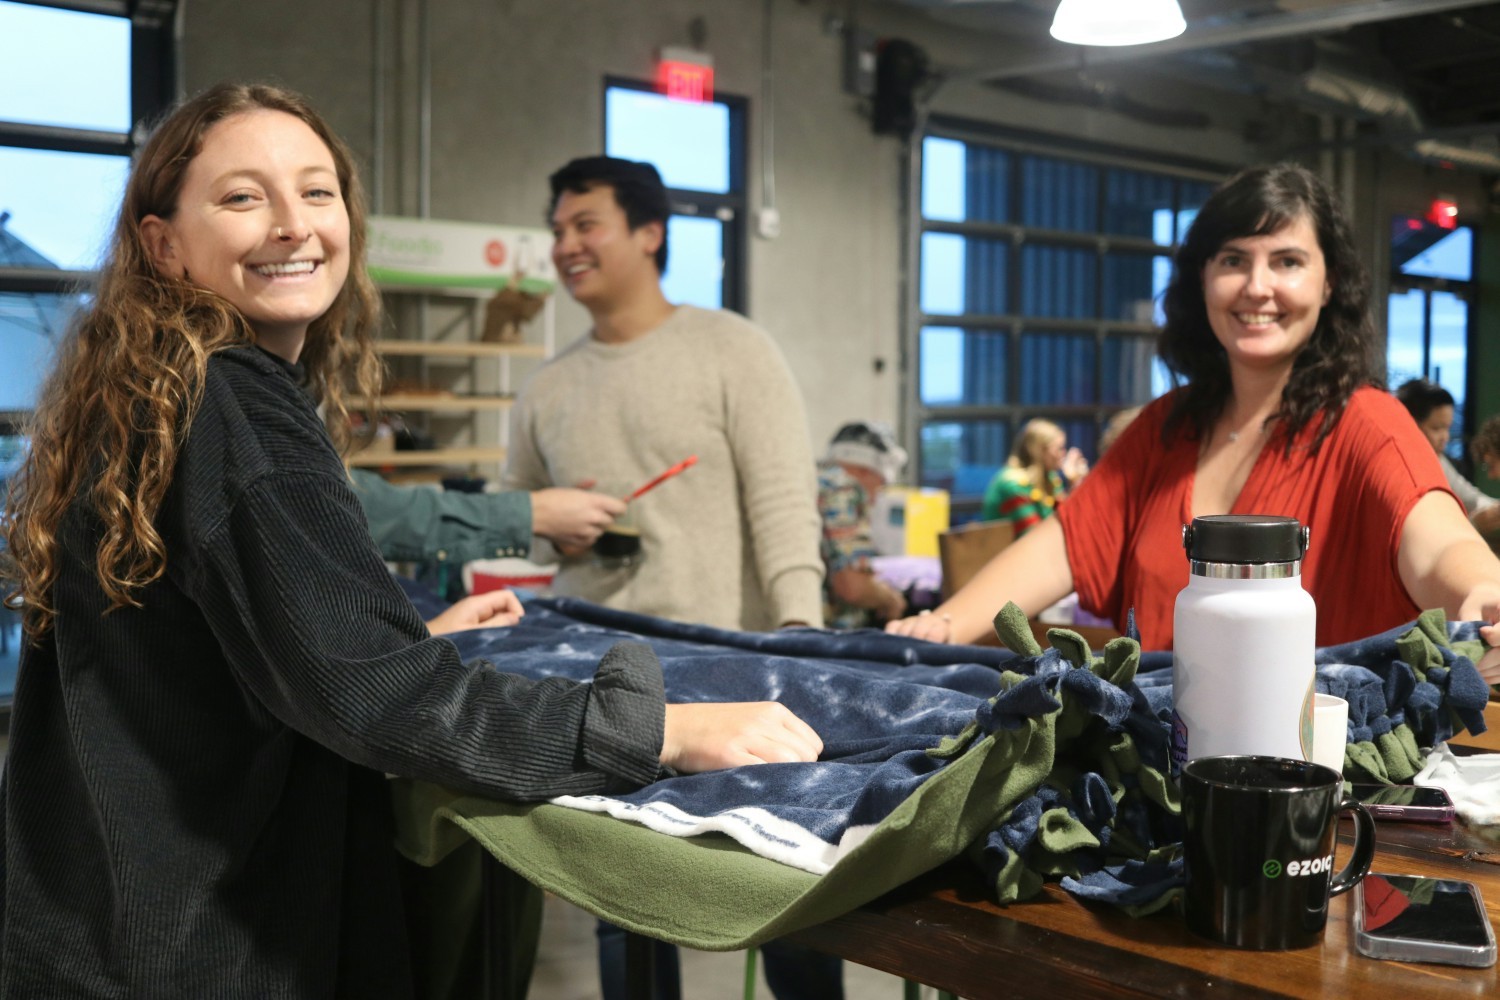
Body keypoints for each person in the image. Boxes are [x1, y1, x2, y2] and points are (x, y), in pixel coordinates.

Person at [0, 83, 823, 999]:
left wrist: (380, 642)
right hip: (189, 942)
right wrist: (654, 729)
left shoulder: (166, 393)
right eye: (242, 197)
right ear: (162, 243)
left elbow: (209, 656)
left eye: (317, 192)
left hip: (100, 924)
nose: (292, 224)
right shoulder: (238, 411)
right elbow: (377, 702)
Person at [887, 162, 1500, 684]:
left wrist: (1484, 591)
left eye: (1287, 261)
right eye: (1234, 259)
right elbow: (1058, 548)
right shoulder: (1163, 429)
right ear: (1203, 277)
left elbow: (1439, 542)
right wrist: (938, 627)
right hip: (1154, 777)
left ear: (1328, 280)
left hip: (1317, 788)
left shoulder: (1369, 423)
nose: (1257, 287)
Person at [504, 156, 835, 999]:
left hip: (748, 672)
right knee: (626, 906)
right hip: (616, 682)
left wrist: (800, 632)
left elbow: (784, 503)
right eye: (558, 232)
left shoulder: (732, 349)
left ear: (649, 234)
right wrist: (560, 523)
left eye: (587, 226)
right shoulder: (546, 388)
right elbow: (526, 533)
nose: (567, 246)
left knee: (794, 893)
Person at [349, 467, 625, 593]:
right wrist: (542, 519)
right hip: (579, 611)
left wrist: (539, 515)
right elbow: (368, 505)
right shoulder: (543, 387)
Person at [818, 421, 909, 628]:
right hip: (826, 639)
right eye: (880, 484)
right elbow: (852, 587)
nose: (876, 498)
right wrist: (890, 599)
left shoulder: (815, 479)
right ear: (866, 470)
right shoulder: (843, 488)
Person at [1394, 379, 1500, 538]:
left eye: (1447, 427)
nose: (1445, 437)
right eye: (1437, 428)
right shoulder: (1397, 469)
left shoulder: (1437, 459)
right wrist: (1474, 524)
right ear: (1410, 424)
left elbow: (1471, 499)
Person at [979, 418, 1088, 534]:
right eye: (1059, 448)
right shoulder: (1013, 484)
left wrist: (1074, 483)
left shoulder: (1050, 478)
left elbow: (1067, 522)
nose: (1063, 454)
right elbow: (1034, 536)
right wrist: (1074, 488)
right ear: (1040, 450)